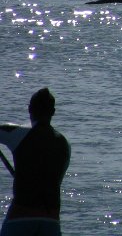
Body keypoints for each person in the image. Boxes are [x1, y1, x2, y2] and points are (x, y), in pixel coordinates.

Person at [0, 88, 71, 236]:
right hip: (51, 220)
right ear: (53, 112)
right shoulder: (64, 144)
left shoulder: (19, 134)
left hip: (20, 218)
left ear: (30, 109)